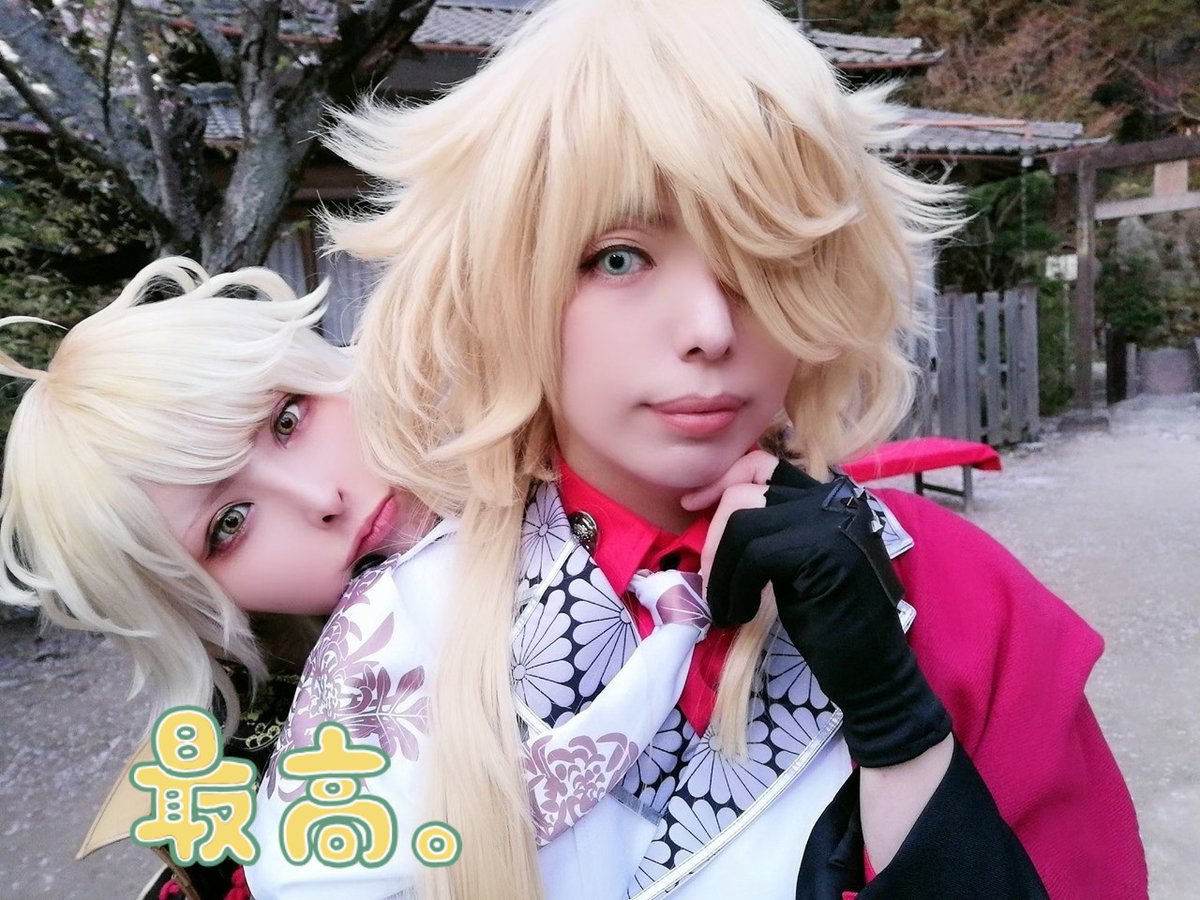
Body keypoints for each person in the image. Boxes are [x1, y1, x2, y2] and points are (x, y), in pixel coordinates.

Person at [247, 1, 1148, 898]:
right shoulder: (401, 624)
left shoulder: (960, 592)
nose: (711, 328)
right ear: (503, 286)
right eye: (618, 258)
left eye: (763, 256)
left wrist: (898, 722)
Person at [0, 257, 427, 734]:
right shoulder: (289, 762)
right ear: (198, 602)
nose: (323, 499)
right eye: (230, 523)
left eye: (287, 420)